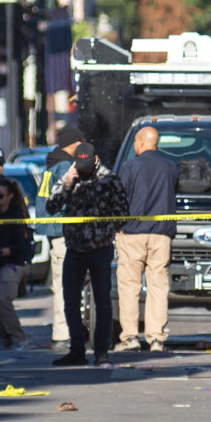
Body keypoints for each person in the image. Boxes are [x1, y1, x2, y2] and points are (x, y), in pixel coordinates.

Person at [46, 143, 129, 368]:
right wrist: (67, 183)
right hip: (75, 247)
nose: (83, 172)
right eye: (79, 167)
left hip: (100, 248)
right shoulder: (70, 176)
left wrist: (103, 230)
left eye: (86, 168)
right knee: (70, 300)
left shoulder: (109, 180)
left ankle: (102, 352)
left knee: (102, 300)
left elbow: (122, 214)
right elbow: (51, 207)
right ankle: (76, 349)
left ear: (95, 160)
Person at [113, 126, 178, 353]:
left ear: (140, 142)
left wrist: (117, 227)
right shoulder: (170, 167)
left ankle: (130, 337)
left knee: (129, 286)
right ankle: (157, 339)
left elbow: (120, 199)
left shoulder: (129, 166)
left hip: (132, 233)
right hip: (161, 235)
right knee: (158, 286)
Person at [35, 126, 84, 352]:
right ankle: (63, 333)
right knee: (66, 286)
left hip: (56, 232)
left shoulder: (52, 163)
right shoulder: (65, 166)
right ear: (73, 144)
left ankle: (64, 331)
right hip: (64, 232)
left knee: (62, 285)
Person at [0, 178, 36, 349]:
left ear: (10, 196)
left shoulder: (17, 215)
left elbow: (20, 244)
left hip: (12, 264)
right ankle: (5, 337)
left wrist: (4, 251)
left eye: (0, 195)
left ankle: (18, 336)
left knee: (3, 299)